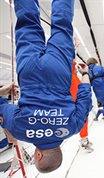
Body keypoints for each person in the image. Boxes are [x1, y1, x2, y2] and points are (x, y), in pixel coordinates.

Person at [0, 0, 92, 173]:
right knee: (28, 22)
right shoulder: (20, 130)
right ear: (39, 156)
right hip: (29, 72)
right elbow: (1, 106)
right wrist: (2, 91)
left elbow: (84, 95)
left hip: (59, 72)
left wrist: (85, 73)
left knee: (62, 24)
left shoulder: (73, 127)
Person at [70, 60, 93, 152]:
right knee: (83, 119)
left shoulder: (73, 76)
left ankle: (84, 139)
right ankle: (84, 140)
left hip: (78, 99)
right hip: (78, 99)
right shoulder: (71, 77)